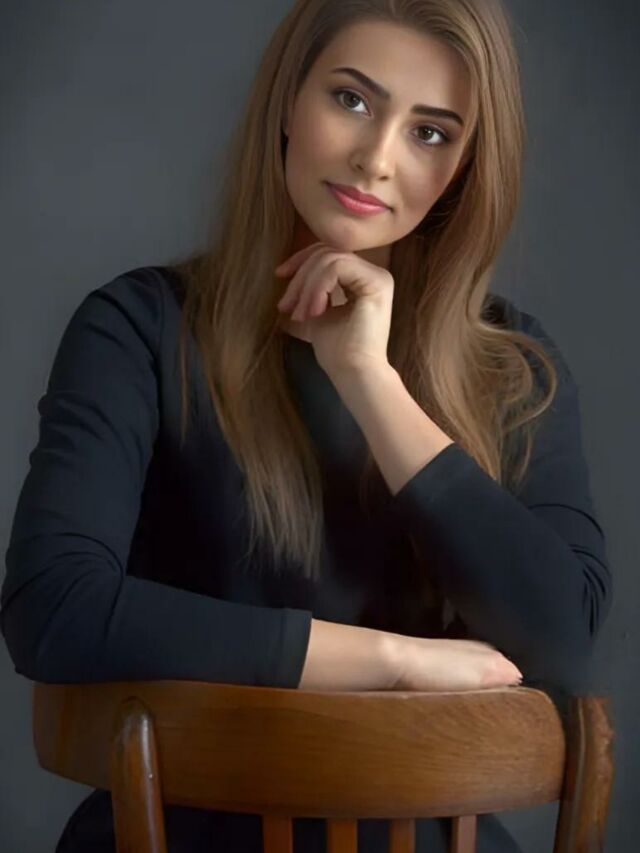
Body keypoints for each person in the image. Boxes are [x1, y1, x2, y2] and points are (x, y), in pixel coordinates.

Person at [1, 1, 612, 851]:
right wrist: (391, 662)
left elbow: (560, 642)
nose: (377, 158)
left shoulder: (513, 369)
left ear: (465, 167)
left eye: (430, 133)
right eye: (352, 100)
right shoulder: (138, 327)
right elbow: (53, 606)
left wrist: (369, 380)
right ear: (288, 100)